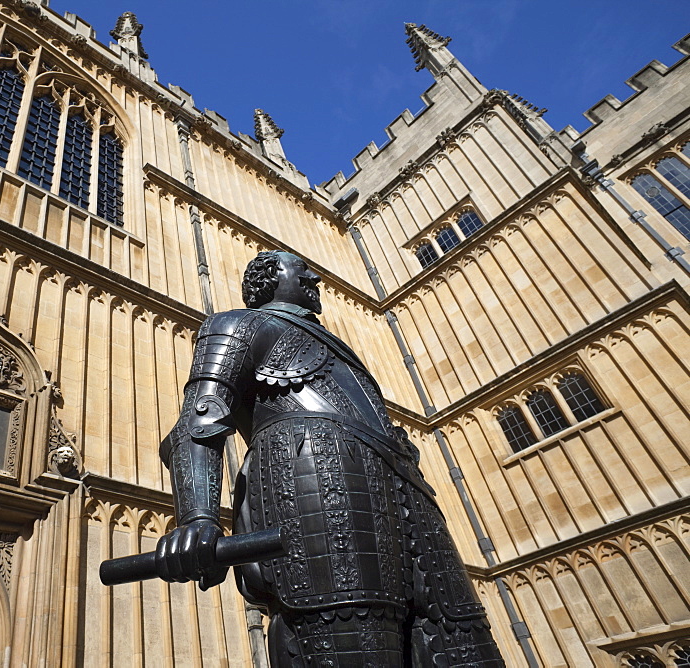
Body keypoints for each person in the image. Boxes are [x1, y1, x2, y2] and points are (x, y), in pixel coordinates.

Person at [155, 250, 504, 666]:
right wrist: (197, 519)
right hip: (318, 490)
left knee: (465, 645)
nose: (314, 277)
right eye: (300, 269)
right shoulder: (238, 325)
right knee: (352, 639)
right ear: (268, 279)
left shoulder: (342, 352)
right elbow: (198, 421)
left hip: (411, 502)